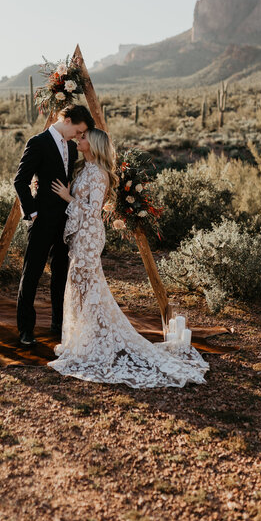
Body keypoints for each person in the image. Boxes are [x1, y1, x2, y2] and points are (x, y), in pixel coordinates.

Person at [48, 128, 209, 388]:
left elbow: (94, 211)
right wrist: (71, 193)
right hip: (80, 235)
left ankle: (89, 344)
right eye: (79, 137)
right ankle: (79, 341)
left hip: (90, 236)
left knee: (85, 284)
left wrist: (68, 198)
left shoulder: (99, 174)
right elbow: (83, 203)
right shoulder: (83, 169)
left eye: (83, 138)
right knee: (79, 286)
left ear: (94, 144)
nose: (79, 140)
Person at [14, 104, 95, 346]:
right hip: (42, 220)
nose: (79, 137)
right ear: (67, 120)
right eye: (78, 131)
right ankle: (26, 330)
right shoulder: (37, 142)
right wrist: (34, 213)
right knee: (32, 273)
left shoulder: (71, 146)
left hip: (65, 220)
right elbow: (20, 181)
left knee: (61, 273)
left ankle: (59, 323)